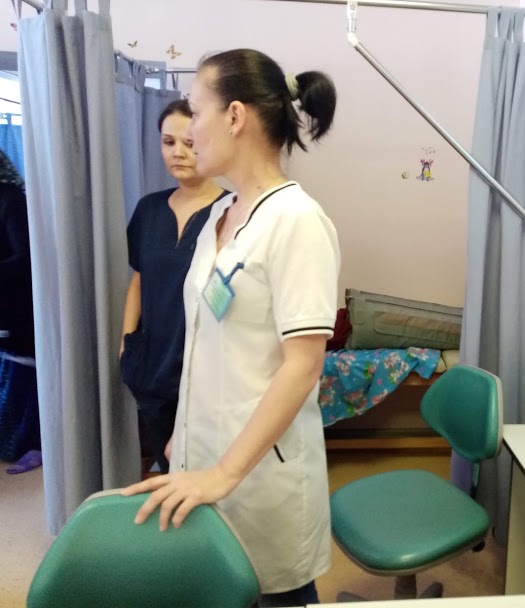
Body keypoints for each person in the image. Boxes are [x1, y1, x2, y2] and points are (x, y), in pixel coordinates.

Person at [123, 49, 340, 607]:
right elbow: (209, 338)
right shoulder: (222, 215)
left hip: (261, 472)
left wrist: (223, 472)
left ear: (236, 116)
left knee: (274, 593)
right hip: (204, 450)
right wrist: (185, 432)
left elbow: (303, 366)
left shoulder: (297, 221)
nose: (190, 132)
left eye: (197, 113)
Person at [120, 99, 227, 474]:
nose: (178, 152)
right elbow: (138, 280)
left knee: (207, 471)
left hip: (208, 369)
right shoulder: (148, 209)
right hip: (152, 364)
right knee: (168, 469)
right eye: (168, 142)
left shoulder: (232, 210)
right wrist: (126, 342)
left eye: (189, 142)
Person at [0, 149, 40, 471]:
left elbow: (25, 258)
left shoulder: (10, 200)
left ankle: (34, 444)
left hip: (15, 305)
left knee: (22, 376)